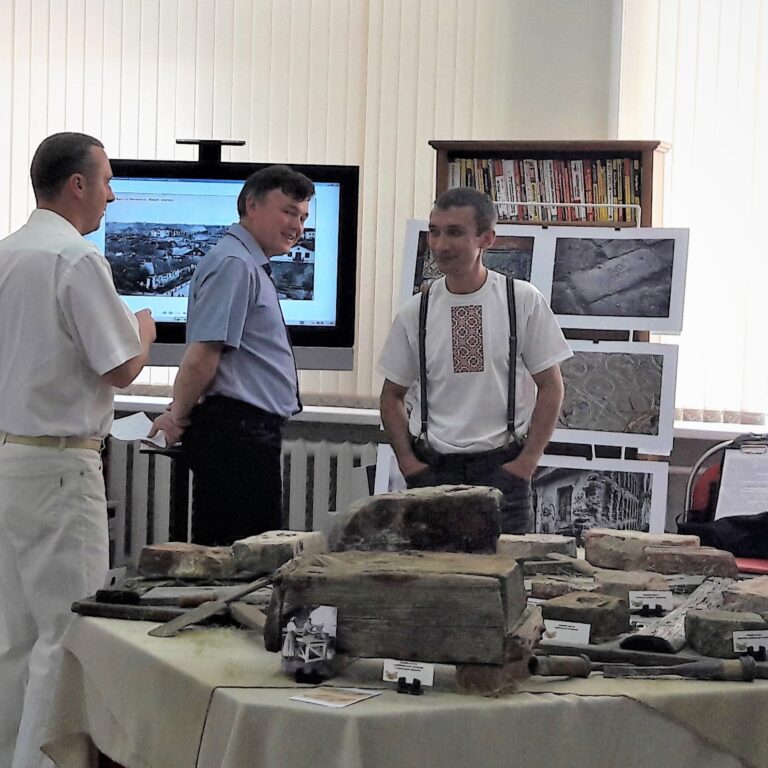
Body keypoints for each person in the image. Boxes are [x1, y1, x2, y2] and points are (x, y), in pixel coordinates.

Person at [0, 132, 156, 768]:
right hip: (62, 464)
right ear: (78, 185)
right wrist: (143, 329)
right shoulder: (77, 258)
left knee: (14, 637)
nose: (112, 196)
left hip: (10, 458)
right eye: (108, 181)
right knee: (67, 634)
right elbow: (121, 368)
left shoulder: (7, 252)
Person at [378, 187, 572, 533]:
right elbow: (391, 395)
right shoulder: (415, 311)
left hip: (503, 470)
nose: (440, 245)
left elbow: (551, 386)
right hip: (433, 471)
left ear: (487, 238)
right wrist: (409, 464)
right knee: (434, 568)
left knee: (506, 566)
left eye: (454, 232)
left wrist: (526, 463)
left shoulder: (521, 300)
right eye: (434, 232)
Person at [150, 165, 314, 545]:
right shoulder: (235, 264)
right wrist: (177, 417)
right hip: (237, 435)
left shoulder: (245, 261)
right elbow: (204, 355)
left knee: (248, 551)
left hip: (245, 433)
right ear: (252, 206)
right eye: (289, 212)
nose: (297, 227)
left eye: (303, 217)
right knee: (239, 557)